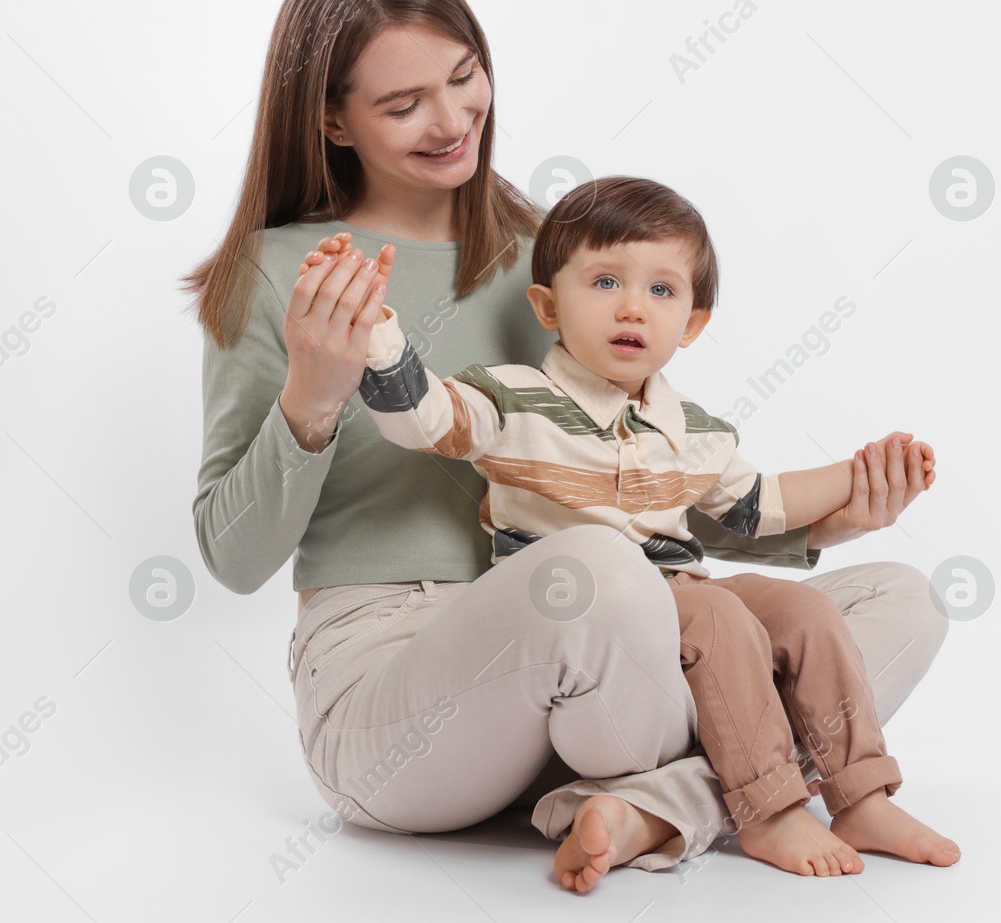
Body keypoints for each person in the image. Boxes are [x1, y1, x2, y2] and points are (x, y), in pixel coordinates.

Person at [180, 0, 946, 893]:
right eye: (403, 102)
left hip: (613, 652)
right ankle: (714, 796)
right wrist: (315, 393)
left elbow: (633, 482)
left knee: (898, 599)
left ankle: (634, 807)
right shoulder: (278, 273)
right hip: (396, 677)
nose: (454, 118)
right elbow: (232, 557)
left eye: (465, 78)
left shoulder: (551, 255)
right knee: (595, 570)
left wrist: (825, 523)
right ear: (331, 118)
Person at [352, 175, 961, 876]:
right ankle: (769, 810)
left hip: (682, 588)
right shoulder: (513, 397)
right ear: (549, 306)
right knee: (718, 616)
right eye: (606, 282)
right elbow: (423, 418)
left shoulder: (692, 430)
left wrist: (861, 474)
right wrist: (376, 333)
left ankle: (859, 794)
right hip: (589, 612)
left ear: (694, 322)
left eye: (662, 291)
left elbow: (759, 505)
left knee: (802, 609)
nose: (633, 307)